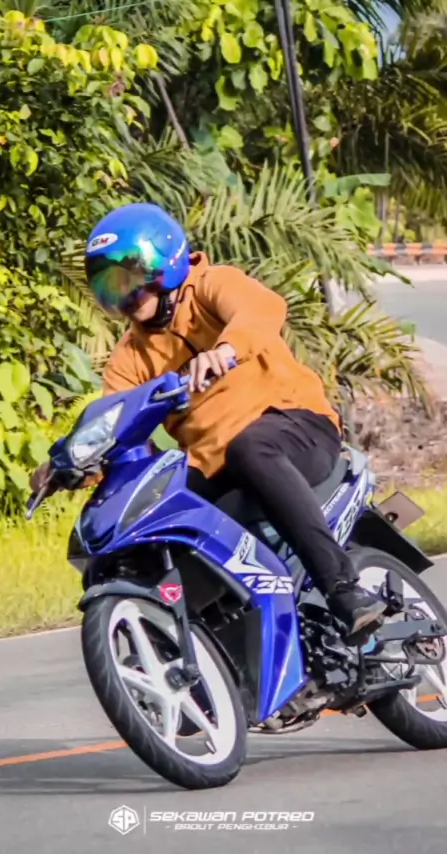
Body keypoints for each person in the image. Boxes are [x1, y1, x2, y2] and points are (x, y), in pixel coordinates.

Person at [31, 202, 386, 645]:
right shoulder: (129, 357)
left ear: (165, 262)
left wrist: (226, 350)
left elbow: (261, 309)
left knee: (250, 448)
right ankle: (198, 647)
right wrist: (72, 464)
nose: (124, 295)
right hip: (215, 466)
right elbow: (114, 424)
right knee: (144, 517)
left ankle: (343, 589)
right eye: (110, 286)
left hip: (295, 425)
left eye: (128, 279)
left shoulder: (211, 286)